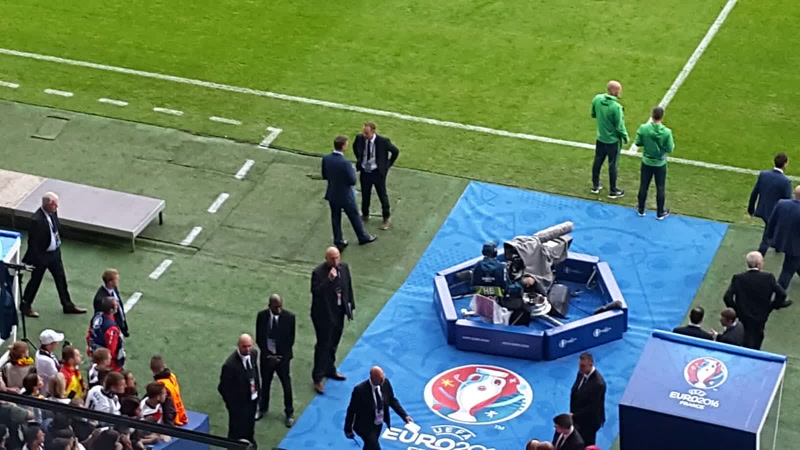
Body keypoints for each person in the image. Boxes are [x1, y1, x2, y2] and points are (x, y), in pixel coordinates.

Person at [20, 192, 87, 317]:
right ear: (48, 204)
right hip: (42, 256)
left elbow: (56, 228)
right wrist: (36, 259)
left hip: (54, 254)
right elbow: (33, 242)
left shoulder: (52, 213)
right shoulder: (37, 220)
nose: (57, 207)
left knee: (61, 279)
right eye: (55, 204)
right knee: (35, 281)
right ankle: (25, 306)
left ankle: (67, 305)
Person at [310, 247, 355, 394]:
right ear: (326, 258)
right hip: (323, 315)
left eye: (337, 257)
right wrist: (329, 280)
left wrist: (350, 306)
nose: (335, 261)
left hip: (338, 312)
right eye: (332, 258)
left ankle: (330, 369)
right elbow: (316, 292)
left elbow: (348, 287)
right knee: (323, 345)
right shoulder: (318, 273)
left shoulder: (344, 268)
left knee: (334, 342)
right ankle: (317, 377)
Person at [322, 135, 377, 251]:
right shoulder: (345, 163)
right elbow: (352, 180)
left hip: (332, 193)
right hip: (345, 195)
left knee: (335, 217)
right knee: (354, 215)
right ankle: (362, 237)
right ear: (343, 146)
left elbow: (325, 175)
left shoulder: (326, 158)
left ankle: (339, 241)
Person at [724, 252, 788, 350]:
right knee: (757, 340)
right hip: (761, 317)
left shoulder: (739, 278)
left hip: (744, 317)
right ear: (758, 264)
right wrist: (772, 306)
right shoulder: (768, 277)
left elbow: (727, 297)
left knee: (744, 341)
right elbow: (782, 294)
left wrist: (737, 310)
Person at [344, 366, 412, 450]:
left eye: (383, 376)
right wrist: (348, 429)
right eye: (380, 378)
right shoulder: (360, 390)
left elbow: (392, 400)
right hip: (364, 426)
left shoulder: (385, 383)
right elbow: (351, 410)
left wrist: (404, 416)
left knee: (370, 446)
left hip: (378, 423)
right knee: (374, 446)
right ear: (373, 378)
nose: (383, 379)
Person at [255, 294, 296, 427]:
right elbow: (260, 338)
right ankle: (263, 408)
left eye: (280, 307)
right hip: (267, 357)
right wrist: (268, 355)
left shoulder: (289, 317)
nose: (278, 310)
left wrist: (279, 357)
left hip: (282, 358)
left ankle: (289, 413)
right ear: (270, 306)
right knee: (265, 383)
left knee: (286, 385)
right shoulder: (262, 316)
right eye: (275, 307)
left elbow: (290, 340)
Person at [353, 122, 400, 230]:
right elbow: (355, 148)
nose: (364, 135)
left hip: (377, 173)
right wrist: (360, 160)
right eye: (364, 132)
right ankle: (365, 214)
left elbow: (395, 151)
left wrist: (387, 165)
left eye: (367, 133)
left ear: (373, 131)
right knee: (365, 194)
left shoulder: (383, 141)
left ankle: (386, 217)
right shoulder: (360, 138)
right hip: (365, 171)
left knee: (382, 195)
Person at [217, 334, 259, 445]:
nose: (248, 349)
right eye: (244, 347)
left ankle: (250, 444)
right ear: (238, 345)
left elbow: (255, 374)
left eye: (249, 346)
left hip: (252, 400)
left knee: (250, 426)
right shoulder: (230, 365)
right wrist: (232, 406)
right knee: (236, 432)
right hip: (238, 407)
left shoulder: (254, 354)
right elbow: (222, 388)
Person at [590, 80, 629, 199]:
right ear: (615, 91)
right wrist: (625, 136)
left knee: (597, 161)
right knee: (613, 165)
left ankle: (595, 185)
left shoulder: (597, 99)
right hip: (613, 141)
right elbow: (619, 126)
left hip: (601, 138)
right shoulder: (616, 107)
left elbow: (593, 114)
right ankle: (613, 190)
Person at [635, 106, 674, 219]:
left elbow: (638, 142)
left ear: (652, 115)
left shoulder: (643, 128)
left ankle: (641, 209)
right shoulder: (667, 132)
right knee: (660, 188)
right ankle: (660, 212)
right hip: (660, 164)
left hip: (647, 162)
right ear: (662, 116)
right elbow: (670, 148)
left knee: (644, 186)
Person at [749, 153, 792, 256]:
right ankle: (759, 256)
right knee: (768, 237)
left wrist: (751, 208)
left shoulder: (764, 175)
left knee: (774, 230)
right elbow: (788, 201)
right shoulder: (785, 181)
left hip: (763, 209)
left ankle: (778, 247)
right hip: (775, 214)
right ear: (785, 164)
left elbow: (755, 192)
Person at [765, 186, 800, 290]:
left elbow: (772, 221)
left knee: (794, 263)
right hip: (796, 247)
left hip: (781, 240)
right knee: (787, 271)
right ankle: (778, 295)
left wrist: (769, 235)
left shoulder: (782, 203)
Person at [569, 353, 606, 446]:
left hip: (589, 422)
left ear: (591, 364)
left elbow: (592, 408)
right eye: (579, 365)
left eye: (583, 366)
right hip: (577, 417)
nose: (580, 368)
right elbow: (575, 392)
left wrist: (574, 415)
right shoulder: (581, 373)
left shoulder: (598, 384)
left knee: (587, 445)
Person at [86, 298, 125, 371]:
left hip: (95, 352)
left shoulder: (97, 316)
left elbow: (89, 334)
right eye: (116, 305)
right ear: (111, 310)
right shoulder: (111, 328)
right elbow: (111, 349)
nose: (117, 306)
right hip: (108, 362)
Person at [150, 355, 188, 426]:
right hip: (181, 413)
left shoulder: (160, 385)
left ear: (152, 370)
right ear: (164, 365)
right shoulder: (172, 376)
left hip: (173, 416)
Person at [93, 269, 129, 337]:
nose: (118, 281)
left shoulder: (114, 288)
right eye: (116, 280)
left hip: (119, 324)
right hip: (111, 329)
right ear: (110, 282)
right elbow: (101, 318)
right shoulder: (100, 300)